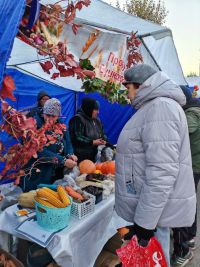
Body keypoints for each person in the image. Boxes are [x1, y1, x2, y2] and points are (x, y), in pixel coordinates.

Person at [115, 64, 196, 266]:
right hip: (152, 211)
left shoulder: (160, 108)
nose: (127, 94)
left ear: (140, 85)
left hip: (153, 214)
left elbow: (162, 171)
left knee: (154, 260)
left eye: (128, 88)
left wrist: (144, 222)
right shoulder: (154, 107)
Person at [20, 98, 77, 192]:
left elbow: (68, 141)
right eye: (48, 115)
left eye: (53, 116)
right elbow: (38, 151)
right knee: (35, 197)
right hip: (37, 173)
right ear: (43, 112)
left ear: (58, 115)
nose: (49, 119)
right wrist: (62, 160)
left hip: (55, 172)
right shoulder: (33, 125)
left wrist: (70, 154)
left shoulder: (61, 125)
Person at [172, 86, 200, 266]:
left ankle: (185, 247)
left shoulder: (193, 113)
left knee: (183, 204)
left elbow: (183, 131)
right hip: (192, 164)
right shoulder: (194, 110)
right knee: (189, 202)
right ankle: (190, 237)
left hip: (192, 166)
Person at [69, 97, 107, 162]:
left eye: (98, 109)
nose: (98, 112)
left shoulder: (97, 120)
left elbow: (102, 134)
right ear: (89, 108)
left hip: (94, 156)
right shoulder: (78, 119)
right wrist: (92, 142)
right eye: (96, 109)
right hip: (80, 158)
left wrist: (105, 141)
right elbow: (77, 137)